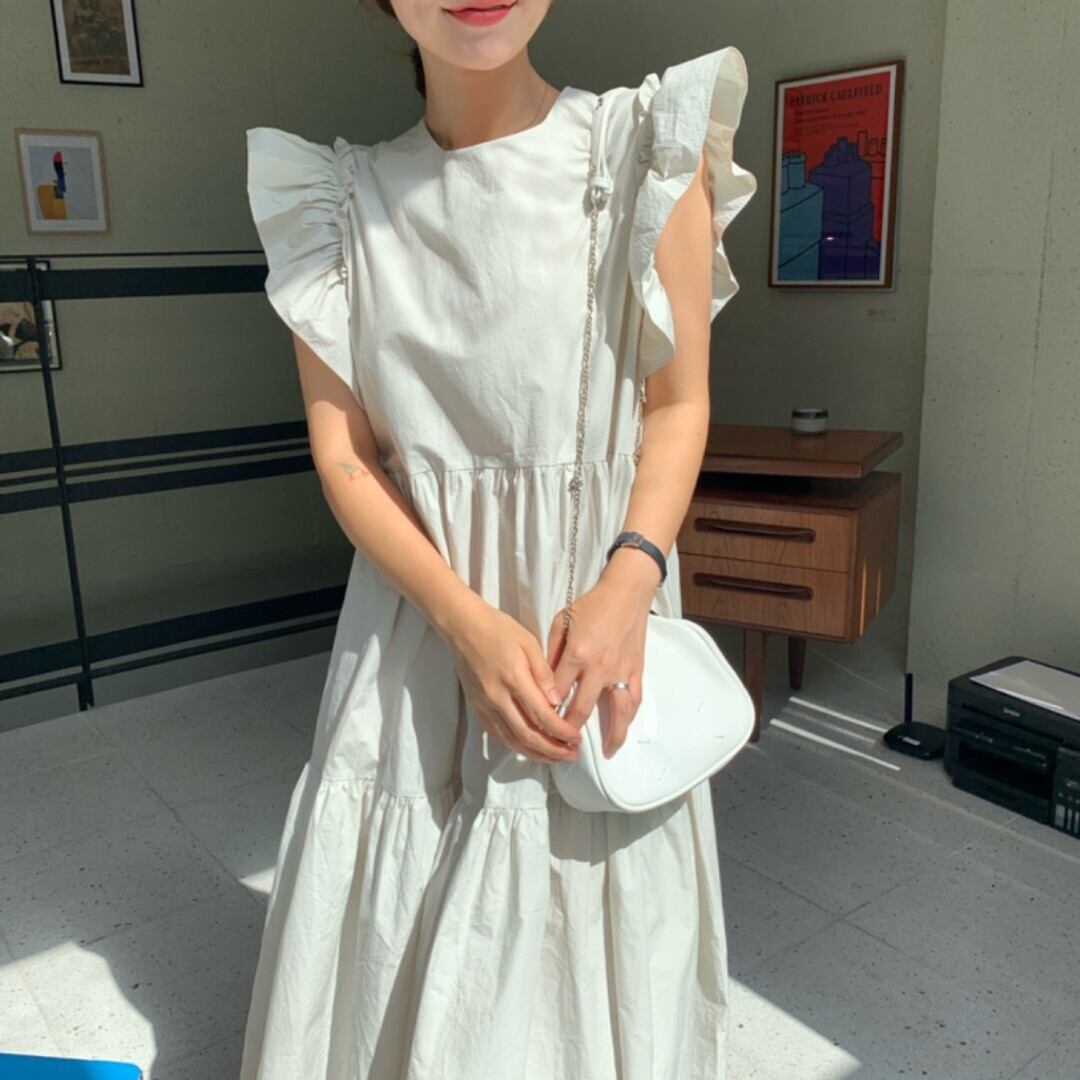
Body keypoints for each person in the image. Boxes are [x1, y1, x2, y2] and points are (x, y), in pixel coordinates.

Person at [239, 0, 756, 1075]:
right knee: (399, 926)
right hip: (417, 638)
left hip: (597, 625)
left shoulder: (647, 150)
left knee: (593, 922)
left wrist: (629, 583)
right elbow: (345, 456)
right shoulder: (334, 204)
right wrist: (464, 621)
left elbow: (679, 405)